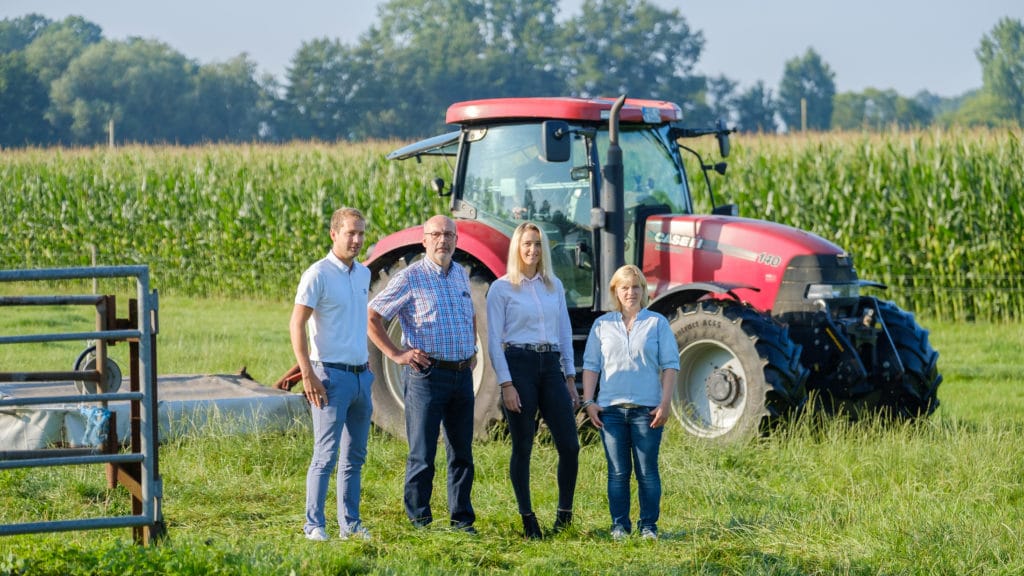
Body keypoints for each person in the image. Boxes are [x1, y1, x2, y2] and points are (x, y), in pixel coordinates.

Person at [367, 215, 478, 533]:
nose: (443, 240)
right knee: (423, 453)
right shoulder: (410, 277)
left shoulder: (460, 275)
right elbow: (373, 315)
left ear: (456, 240)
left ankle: (462, 520)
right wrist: (397, 354)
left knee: (462, 454)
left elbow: (469, 314)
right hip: (427, 376)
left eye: (449, 234)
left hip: (461, 376)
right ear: (425, 240)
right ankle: (420, 521)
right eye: (436, 234)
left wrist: (471, 350)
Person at [486, 221, 580, 539]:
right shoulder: (501, 288)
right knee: (523, 445)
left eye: (538, 244)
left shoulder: (553, 286)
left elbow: (565, 334)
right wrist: (506, 384)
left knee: (569, 444)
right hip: (519, 364)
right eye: (527, 243)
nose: (533, 250)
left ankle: (564, 517)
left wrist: (569, 378)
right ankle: (528, 520)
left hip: (551, 365)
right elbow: (494, 341)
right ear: (517, 247)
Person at [290, 207, 374, 542]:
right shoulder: (318, 274)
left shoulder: (363, 274)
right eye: (351, 233)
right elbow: (296, 323)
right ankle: (314, 524)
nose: (356, 240)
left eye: (361, 233)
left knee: (354, 456)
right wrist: (307, 374)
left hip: (360, 377)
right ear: (333, 234)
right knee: (325, 455)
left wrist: (366, 370)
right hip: (329, 377)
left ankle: (350, 525)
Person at [581, 264, 679, 541]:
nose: (631, 292)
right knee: (618, 472)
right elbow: (591, 365)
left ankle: (648, 526)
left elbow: (671, 365)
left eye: (636, 287)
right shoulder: (602, 325)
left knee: (647, 472)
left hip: (647, 411)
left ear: (643, 291)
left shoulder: (656, 323)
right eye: (625, 287)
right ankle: (619, 526)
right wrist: (589, 401)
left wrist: (665, 402)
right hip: (610, 411)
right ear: (616, 291)